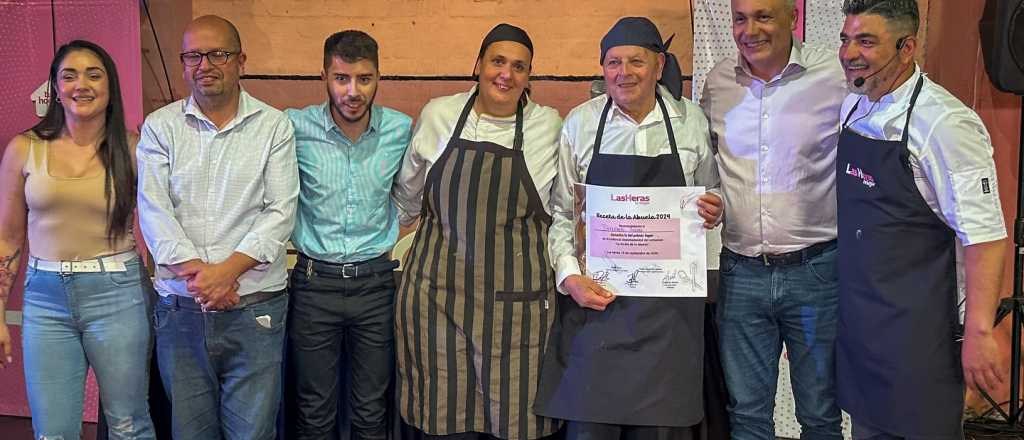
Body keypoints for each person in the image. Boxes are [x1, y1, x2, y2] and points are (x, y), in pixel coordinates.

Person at [535, 16, 723, 440]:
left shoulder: (690, 121)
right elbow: (563, 213)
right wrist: (570, 278)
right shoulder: (580, 124)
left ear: (659, 66)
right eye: (613, 62)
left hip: (669, 321)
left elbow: (710, 194)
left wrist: (714, 210)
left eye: (636, 61)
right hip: (597, 311)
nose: (624, 73)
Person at [835, 1, 1008, 438]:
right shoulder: (853, 107)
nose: (849, 52)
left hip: (922, 334)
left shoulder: (945, 124)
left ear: (907, 47)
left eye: (866, 41)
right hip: (864, 326)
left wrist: (980, 333)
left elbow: (985, 238)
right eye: (846, 38)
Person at [391, 23, 563, 440]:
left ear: (528, 77)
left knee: (516, 421)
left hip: (517, 308)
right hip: (436, 300)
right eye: (497, 61)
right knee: (443, 420)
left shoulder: (550, 128)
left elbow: (565, 212)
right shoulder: (439, 115)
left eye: (519, 67)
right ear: (478, 65)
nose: (506, 74)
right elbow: (407, 201)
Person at [136, 15, 298, 440]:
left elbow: (280, 211)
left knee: (253, 432)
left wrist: (225, 275)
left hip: (254, 304)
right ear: (183, 62)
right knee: (191, 432)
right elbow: (153, 210)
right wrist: (202, 279)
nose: (204, 64)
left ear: (240, 60)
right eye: (193, 55)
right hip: (180, 309)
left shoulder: (274, 126)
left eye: (217, 54)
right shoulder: (161, 126)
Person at [700, 0, 848, 438]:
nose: (750, 30)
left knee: (820, 414)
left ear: (793, 19)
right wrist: (711, 199)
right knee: (746, 415)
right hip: (741, 273)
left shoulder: (834, 76)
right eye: (740, 19)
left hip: (817, 273)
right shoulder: (718, 82)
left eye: (763, 17)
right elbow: (707, 164)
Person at [0, 40, 156, 439]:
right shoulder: (24, 148)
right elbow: (8, 238)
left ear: (110, 86)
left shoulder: (134, 148)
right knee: (52, 431)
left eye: (93, 74)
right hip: (45, 298)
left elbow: (161, 228)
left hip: (118, 294)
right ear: (54, 86)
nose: (80, 84)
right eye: (68, 75)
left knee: (128, 424)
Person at [284, 30, 412, 440]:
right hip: (312, 285)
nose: (353, 91)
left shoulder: (401, 130)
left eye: (364, 78)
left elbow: (412, 193)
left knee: (371, 410)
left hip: (375, 285)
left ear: (379, 77)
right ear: (324, 76)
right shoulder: (293, 126)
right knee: (314, 410)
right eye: (341, 78)